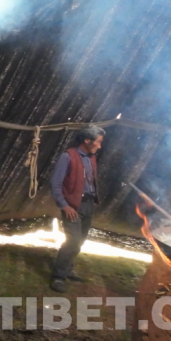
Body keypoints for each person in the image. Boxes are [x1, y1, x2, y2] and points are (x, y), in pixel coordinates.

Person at [49, 126, 105, 293]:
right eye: (98, 142)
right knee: (72, 241)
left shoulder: (91, 157)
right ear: (87, 140)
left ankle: (67, 268)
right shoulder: (68, 156)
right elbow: (55, 183)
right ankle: (58, 277)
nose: (100, 146)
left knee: (80, 240)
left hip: (88, 205)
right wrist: (64, 205)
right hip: (73, 206)